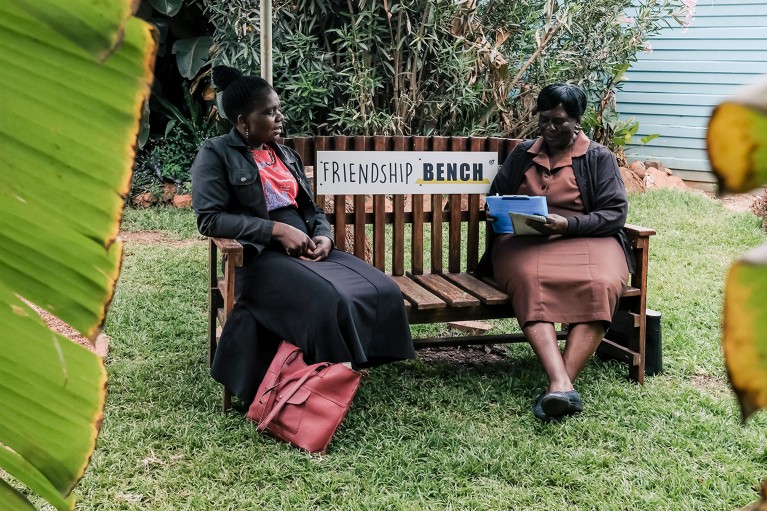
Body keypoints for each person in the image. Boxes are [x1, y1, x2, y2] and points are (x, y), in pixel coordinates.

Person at [192, 66, 414, 405]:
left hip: (306, 246)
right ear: (242, 121)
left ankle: (347, 368)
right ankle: (328, 380)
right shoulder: (216, 153)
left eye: (278, 108)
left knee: (381, 288)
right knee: (329, 300)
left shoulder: (286, 155)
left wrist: (324, 236)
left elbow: (312, 210)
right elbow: (210, 219)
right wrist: (275, 231)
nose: (280, 117)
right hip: (258, 257)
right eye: (269, 112)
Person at [478, 83, 633, 422]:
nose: (549, 128)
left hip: (589, 238)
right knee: (530, 281)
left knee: (602, 283)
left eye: (559, 122)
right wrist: (495, 210)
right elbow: (497, 194)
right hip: (526, 241)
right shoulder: (523, 154)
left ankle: (559, 386)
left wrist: (567, 225)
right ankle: (560, 383)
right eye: (544, 120)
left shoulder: (597, 157)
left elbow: (615, 214)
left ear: (578, 122)